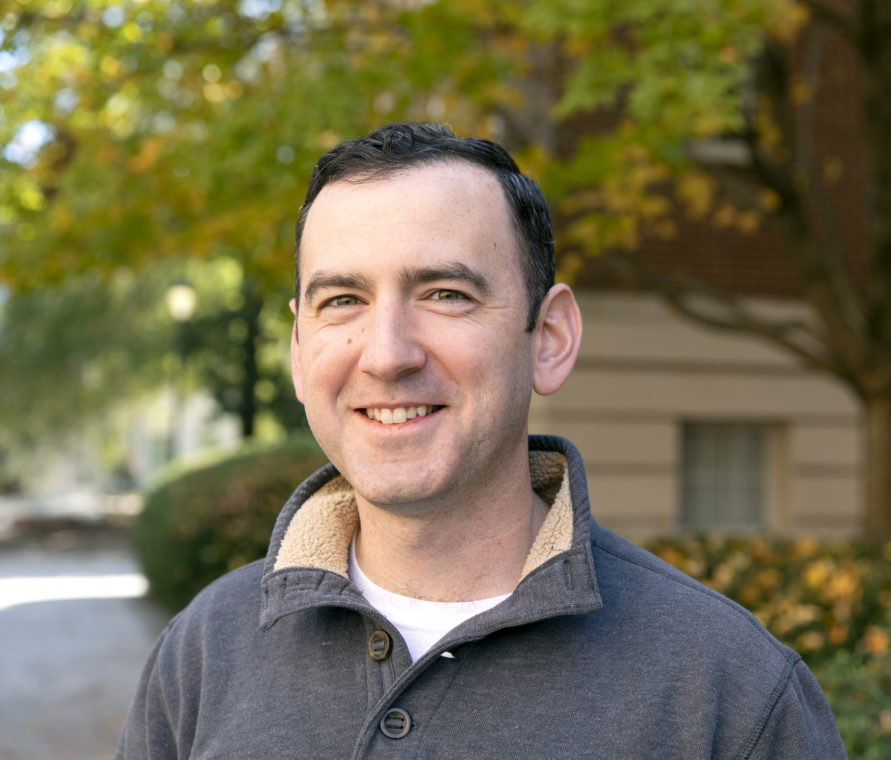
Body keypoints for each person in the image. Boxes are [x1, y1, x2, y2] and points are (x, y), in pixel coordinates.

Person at [116, 122, 847, 759]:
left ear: (549, 339)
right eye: (343, 300)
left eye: (445, 294)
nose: (387, 353)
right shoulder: (203, 652)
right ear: (300, 351)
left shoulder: (728, 688)